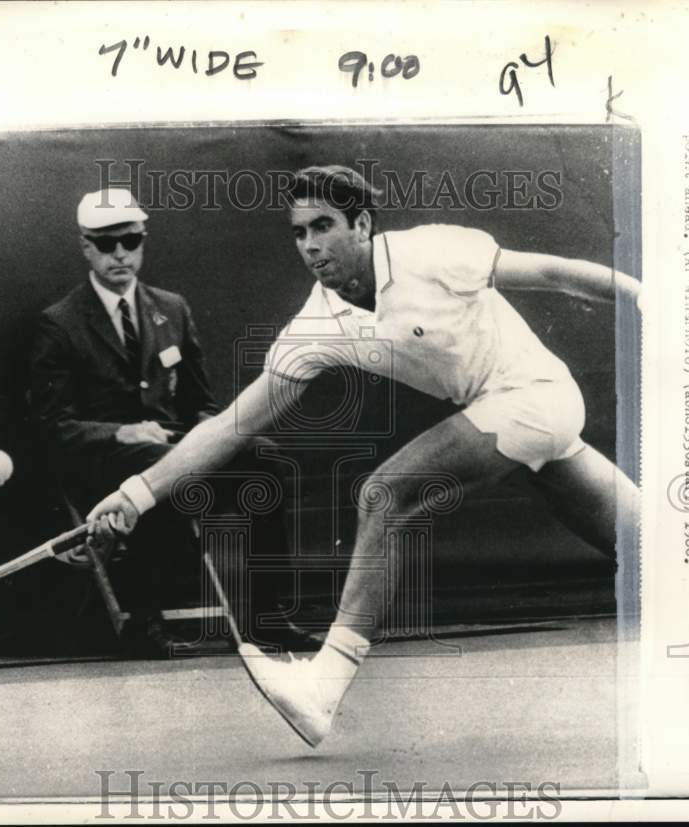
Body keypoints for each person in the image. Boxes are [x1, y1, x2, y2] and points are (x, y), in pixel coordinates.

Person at [86, 166, 641, 742]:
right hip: (521, 419)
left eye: (323, 226)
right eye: (299, 232)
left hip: (535, 397)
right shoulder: (317, 326)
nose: (310, 246)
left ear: (361, 224)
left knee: (386, 493)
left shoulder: (430, 251)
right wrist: (136, 493)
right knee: (655, 551)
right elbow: (232, 425)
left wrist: (646, 298)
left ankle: (322, 687)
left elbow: (552, 272)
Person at [31, 188, 314, 656]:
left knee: (261, 456)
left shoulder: (173, 309)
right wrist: (121, 432)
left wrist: (209, 440)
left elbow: (203, 405)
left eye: (130, 240)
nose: (120, 254)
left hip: (174, 455)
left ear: (143, 240)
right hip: (105, 467)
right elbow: (52, 427)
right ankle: (145, 620)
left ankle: (266, 616)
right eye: (106, 244)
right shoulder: (59, 324)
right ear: (85, 246)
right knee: (161, 460)